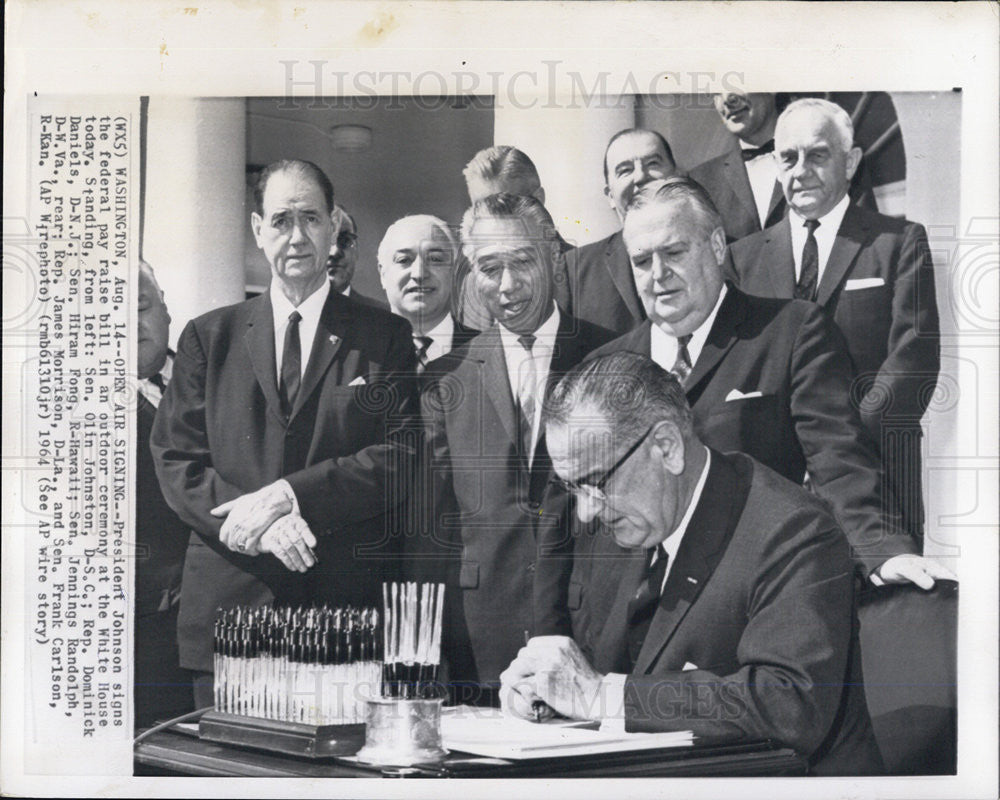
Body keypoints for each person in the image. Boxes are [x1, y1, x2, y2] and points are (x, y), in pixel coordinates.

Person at [500, 352, 885, 776]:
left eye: (596, 483)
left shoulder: (793, 532)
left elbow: (788, 703)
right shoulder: (626, 523)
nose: (586, 512)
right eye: (573, 487)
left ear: (666, 448)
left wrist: (600, 696)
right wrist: (546, 690)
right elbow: (600, 669)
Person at [589, 177, 952, 587]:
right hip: (632, 614)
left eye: (674, 252)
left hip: (751, 599)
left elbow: (837, 458)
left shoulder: (792, 333)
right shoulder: (603, 368)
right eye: (641, 260)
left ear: (716, 247)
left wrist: (884, 552)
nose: (658, 275)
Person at [151, 159, 418, 706]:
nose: (296, 237)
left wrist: (292, 496)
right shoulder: (209, 337)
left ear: (334, 224)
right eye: (280, 220)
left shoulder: (385, 336)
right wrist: (260, 523)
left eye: (311, 219)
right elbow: (176, 459)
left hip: (339, 620)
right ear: (257, 230)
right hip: (229, 616)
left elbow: (398, 454)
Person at [417, 193, 614, 704]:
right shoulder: (444, 380)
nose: (506, 286)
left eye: (523, 261)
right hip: (476, 648)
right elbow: (431, 527)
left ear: (553, 255)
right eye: (489, 268)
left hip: (588, 639)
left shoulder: (612, 357)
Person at [730, 98, 941, 545]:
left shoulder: (898, 244)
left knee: (883, 611)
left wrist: (835, 450)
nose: (801, 169)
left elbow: (913, 362)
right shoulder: (741, 260)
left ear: (851, 162)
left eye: (818, 154)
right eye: (788, 157)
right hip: (770, 492)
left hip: (878, 481)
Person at [134, 260, 193, 727]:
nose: (130, 324)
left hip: (230, 615)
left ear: (166, 309)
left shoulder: (217, 378)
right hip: (146, 632)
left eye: (140, 306)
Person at [565, 128, 677, 337]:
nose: (640, 177)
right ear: (609, 195)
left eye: (652, 163)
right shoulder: (572, 271)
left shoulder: (723, 252)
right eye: (625, 170)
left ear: (677, 177)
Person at [459, 145, 574, 328]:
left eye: (506, 205)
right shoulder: (471, 283)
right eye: (480, 208)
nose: (492, 217)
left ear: (539, 199)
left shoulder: (584, 271)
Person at [376, 215, 478, 370]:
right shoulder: (354, 350)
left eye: (435, 259)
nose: (419, 273)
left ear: (455, 272)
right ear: (382, 274)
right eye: (404, 260)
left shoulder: (490, 351)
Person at [326, 207, 385, 307]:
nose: (335, 252)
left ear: (356, 249)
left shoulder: (385, 318)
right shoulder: (293, 317)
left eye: (345, 241)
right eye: (325, 241)